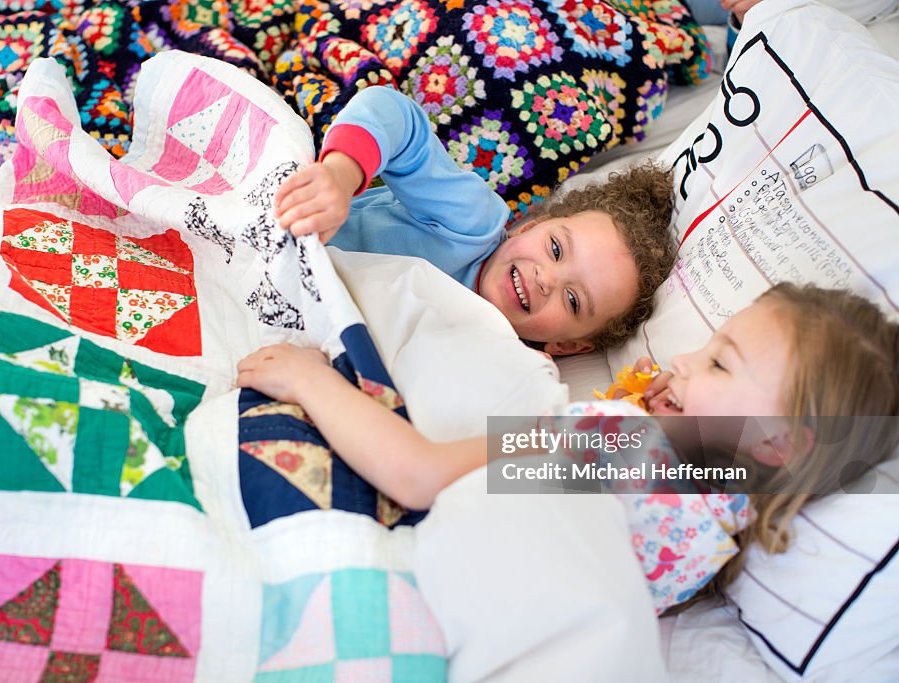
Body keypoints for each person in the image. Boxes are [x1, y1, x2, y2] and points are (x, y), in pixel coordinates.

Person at [237, 282, 899, 602]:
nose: (687, 359)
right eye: (708, 343)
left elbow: (419, 475)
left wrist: (311, 380)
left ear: (778, 444)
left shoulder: (621, 438)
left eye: (721, 364)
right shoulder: (712, 539)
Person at [274, 86, 677, 355]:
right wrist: (342, 176)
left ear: (568, 346)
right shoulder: (472, 222)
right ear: (530, 226)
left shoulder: (497, 360)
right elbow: (392, 113)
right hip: (286, 235)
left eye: (573, 301)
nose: (546, 279)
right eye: (555, 249)